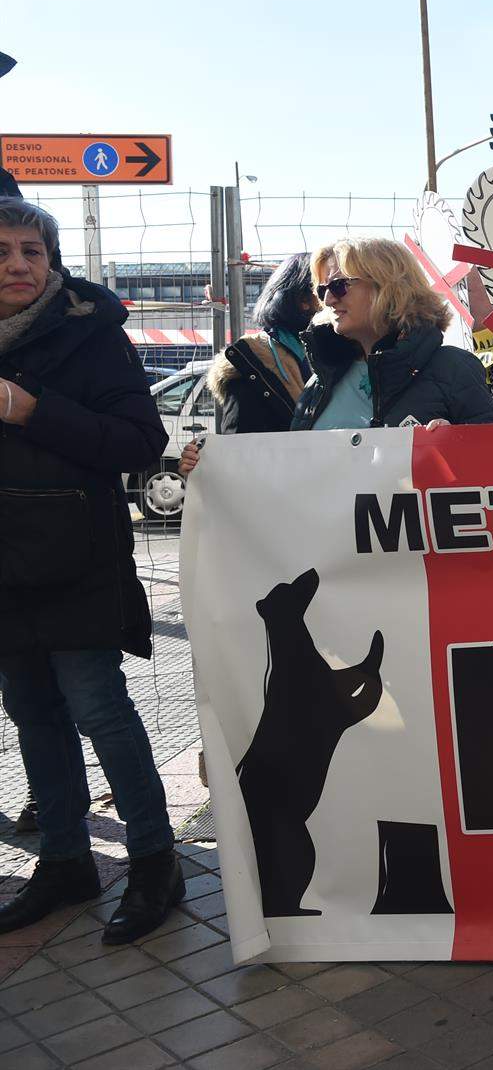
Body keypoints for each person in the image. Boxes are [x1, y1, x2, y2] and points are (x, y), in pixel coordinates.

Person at [0, 197, 184, 944]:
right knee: (34, 719)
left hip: (76, 563)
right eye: (1, 251)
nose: (16, 264)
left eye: (30, 252)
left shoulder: (91, 334)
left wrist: (28, 409)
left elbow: (140, 441)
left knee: (100, 712)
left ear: (53, 262)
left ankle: (154, 863)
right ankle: (67, 864)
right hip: (4, 572)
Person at [291, 238, 493, 430]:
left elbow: (491, 459)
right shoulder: (322, 380)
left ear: (388, 286)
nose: (328, 300)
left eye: (339, 286)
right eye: (322, 290)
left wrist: (455, 444)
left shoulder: (453, 368)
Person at [206, 253, 317, 434]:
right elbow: (241, 447)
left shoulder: (326, 351)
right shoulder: (252, 360)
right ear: (302, 299)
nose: (334, 298)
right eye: (326, 288)